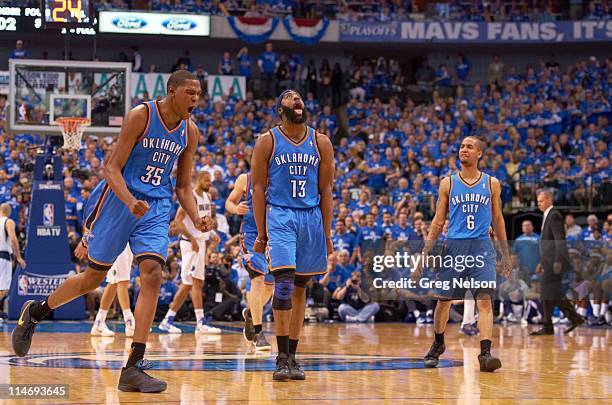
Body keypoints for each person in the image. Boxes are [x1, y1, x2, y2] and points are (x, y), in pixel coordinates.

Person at [12, 70, 213, 393]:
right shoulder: (141, 116)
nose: (195, 99)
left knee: (152, 273)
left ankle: (133, 365)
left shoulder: (190, 132)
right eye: (189, 92)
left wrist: (196, 218)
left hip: (155, 206)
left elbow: (182, 186)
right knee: (92, 278)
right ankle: (36, 312)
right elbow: (110, 168)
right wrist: (130, 200)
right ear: (171, 91)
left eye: (199, 94)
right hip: (121, 199)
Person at [251, 89, 334, 381]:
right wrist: (261, 232)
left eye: (299, 97)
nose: (296, 99)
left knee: (300, 287)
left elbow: (326, 191)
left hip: (310, 217)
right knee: (283, 283)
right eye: (288, 97)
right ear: (280, 110)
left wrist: (326, 234)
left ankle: (294, 356)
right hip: (281, 215)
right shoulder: (267, 141)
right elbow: (258, 188)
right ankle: (281, 356)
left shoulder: (321, 142)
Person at [412, 136, 511, 372]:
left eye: (469, 147)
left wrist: (505, 254)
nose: (464, 149)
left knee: (485, 301)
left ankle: (485, 353)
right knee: (443, 301)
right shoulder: (448, 183)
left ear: (479, 154)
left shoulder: (491, 183)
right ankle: (438, 343)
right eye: (462, 147)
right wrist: (424, 254)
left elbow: (498, 219)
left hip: (481, 248)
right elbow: (438, 221)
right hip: (454, 247)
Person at [158, 171, 221, 335]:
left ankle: (199, 322)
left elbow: (205, 221)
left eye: (210, 181)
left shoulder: (207, 197)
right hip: (190, 244)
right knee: (188, 283)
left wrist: (212, 233)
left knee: (197, 283)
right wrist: (191, 238)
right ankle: (168, 320)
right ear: (198, 180)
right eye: (207, 181)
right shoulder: (190, 197)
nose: (209, 184)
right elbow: (177, 222)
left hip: (200, 242)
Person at [225, 172, 273, 351]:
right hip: (252, 235)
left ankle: (252, 313)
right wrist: (236, 209)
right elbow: (229, 202)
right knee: (258, 279)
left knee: (270, 287)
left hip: (274, 235)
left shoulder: (279, 175)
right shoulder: (245, 178)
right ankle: (259, 333)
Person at [530, 189, 584, 335]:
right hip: (548, 260)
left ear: (548, 200)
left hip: (555, 261)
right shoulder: (548, 215)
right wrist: (542, 261)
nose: (538, 204)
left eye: (541, 201)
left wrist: (558, 261)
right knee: (551, 293)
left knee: (548, 293)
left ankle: (553, 324)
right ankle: (573, 319)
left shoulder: (554, 215)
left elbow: (559, 239)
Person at [89, 244, 136, 337]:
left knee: (113, 282)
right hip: (117, 242)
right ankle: (129, 323)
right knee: (121, 281)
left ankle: (99, 323)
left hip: (127, 243)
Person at [0, 203, 26, 321]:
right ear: (9, 212)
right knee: (4, 289)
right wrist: (18, 256)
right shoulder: (8, 222)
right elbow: (13, 238)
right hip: (3, 257)